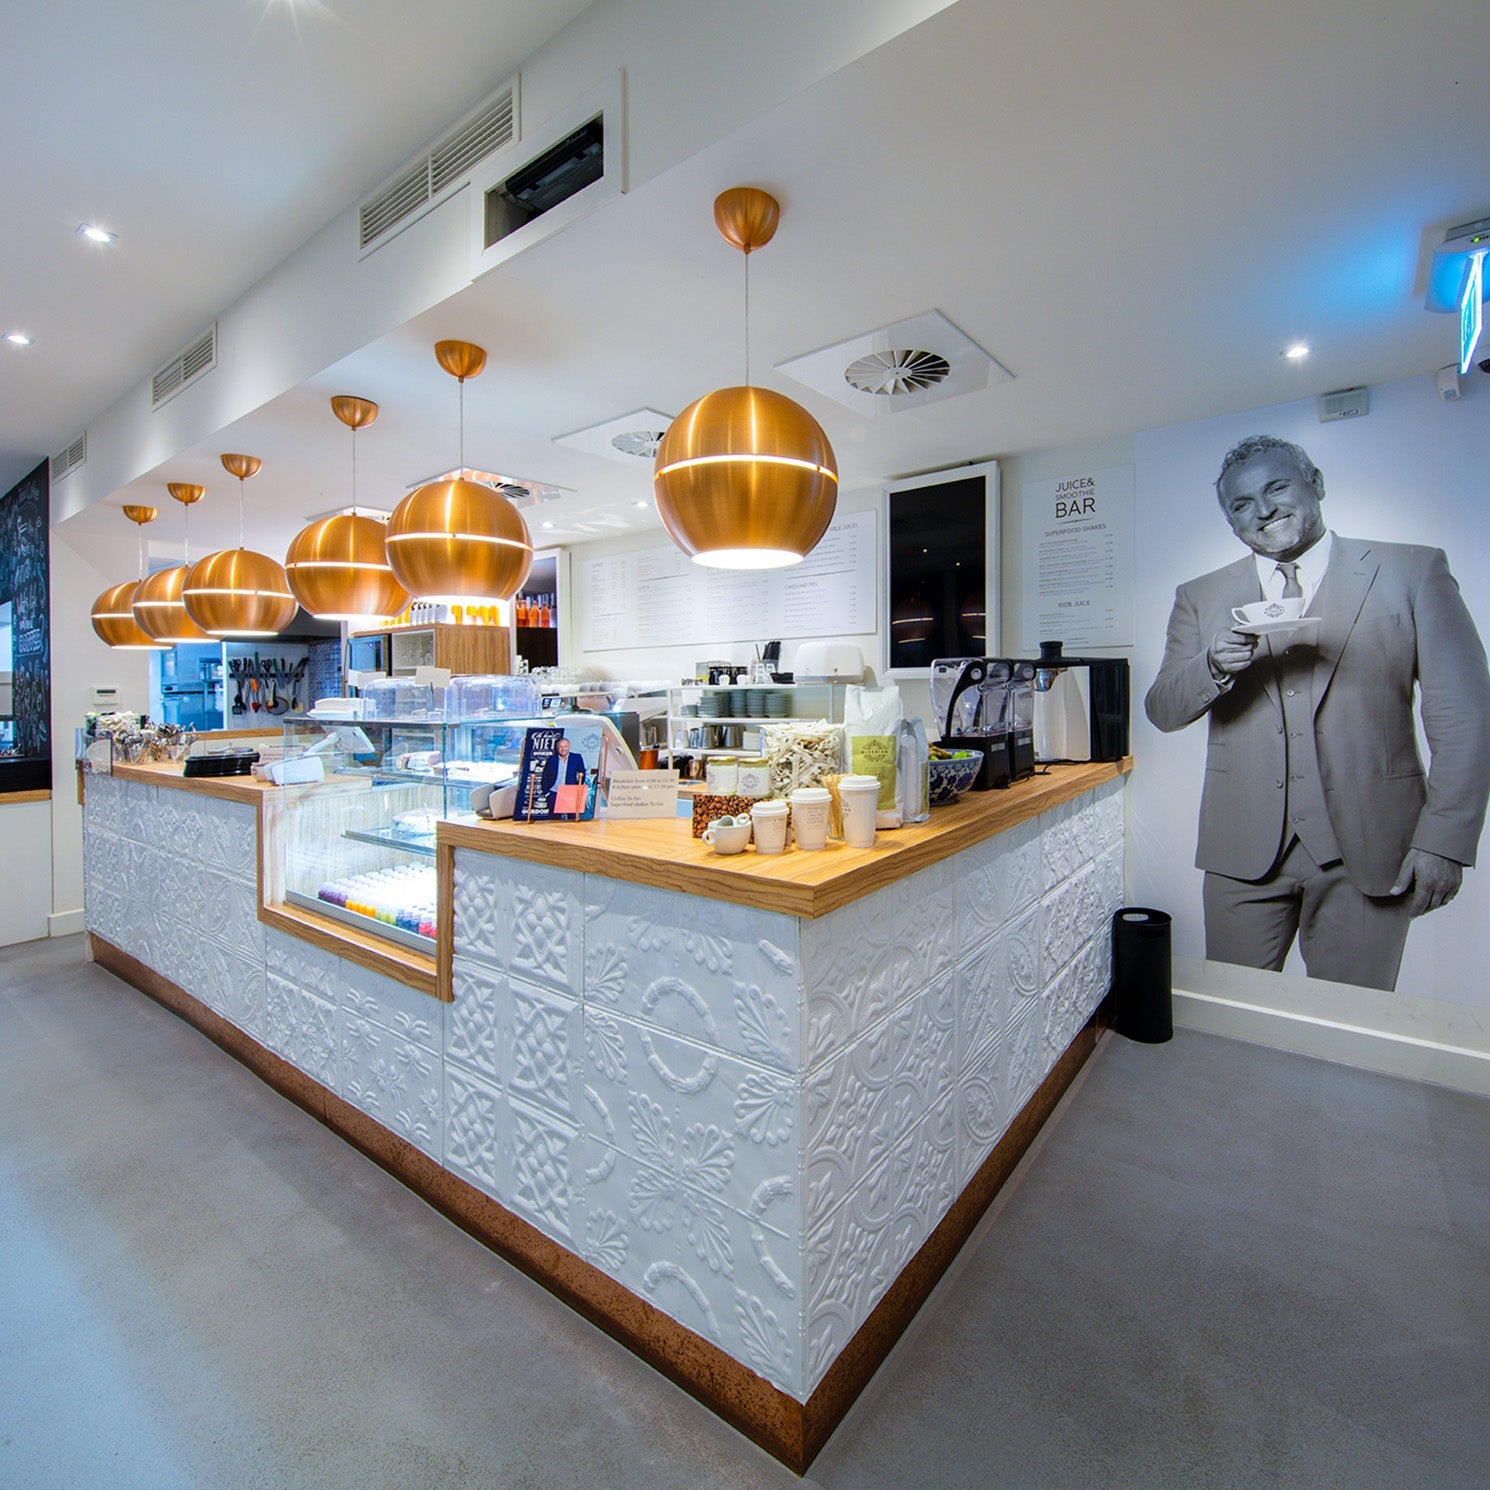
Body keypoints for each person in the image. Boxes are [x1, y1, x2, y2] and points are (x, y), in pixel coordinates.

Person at [1144, 434, 1490, 990]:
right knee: (1235, 1018)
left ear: (1316, 484)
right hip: (1240, 854)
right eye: (1241, 504)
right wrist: (1211, 665)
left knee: (1350, 1026)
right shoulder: (1199, 596)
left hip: (1374, 851)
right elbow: (1162, 709)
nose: (1263, 510)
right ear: (1230, 521)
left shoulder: (1413, 570)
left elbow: (1465, 717)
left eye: (1277, 487)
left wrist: (1444, 841)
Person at [539, 735, 587, 817]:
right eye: (561, 747)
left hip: (570, 793)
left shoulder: (576, 758)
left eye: (565, 746)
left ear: (569, 747)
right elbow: (544, 776)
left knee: (572, 818)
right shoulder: (551, 759)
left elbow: (582, 773)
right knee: (554, 819)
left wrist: (576, 788)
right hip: (554, 793)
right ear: (557, 748)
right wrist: (547, 793)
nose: (563, 749)